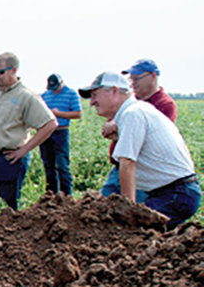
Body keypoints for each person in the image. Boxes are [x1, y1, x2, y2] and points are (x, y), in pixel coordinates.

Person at [80, 72, 200, 229]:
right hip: (175, 192)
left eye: (95, 94)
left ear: (115, 91)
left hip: (176, 194)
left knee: (134, 231)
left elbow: (127, 164)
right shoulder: (134, 111)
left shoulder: (133, 114)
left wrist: (128, 213)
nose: (92, 102)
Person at [0, 52, 57, 213]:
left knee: (6, 210)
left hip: (9, 158)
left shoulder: (26, 96)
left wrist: (24, 150)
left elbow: (50, 124)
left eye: (1, 72)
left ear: (13, 70)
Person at [100, 59, 178, 201]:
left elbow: (147, 137)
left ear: (153, 76)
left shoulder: (165, 104)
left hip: (139, 169)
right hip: (120, 166)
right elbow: (109, 129)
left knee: (133, 213)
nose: (133, 82)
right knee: (100, 208)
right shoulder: (129, 102)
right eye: (131, 79)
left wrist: (119, 128)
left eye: (137, 78)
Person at [39, 74, 82, 195]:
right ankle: (51, 195)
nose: (54, 90)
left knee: (62, 164)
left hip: (61, 131)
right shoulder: (45, 95)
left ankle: (67, 196)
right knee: (48, 165)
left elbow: (78, 114)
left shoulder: (71, 94)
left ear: (62, 82)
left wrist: (58, 114)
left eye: (56, 87)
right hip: (46, 132)